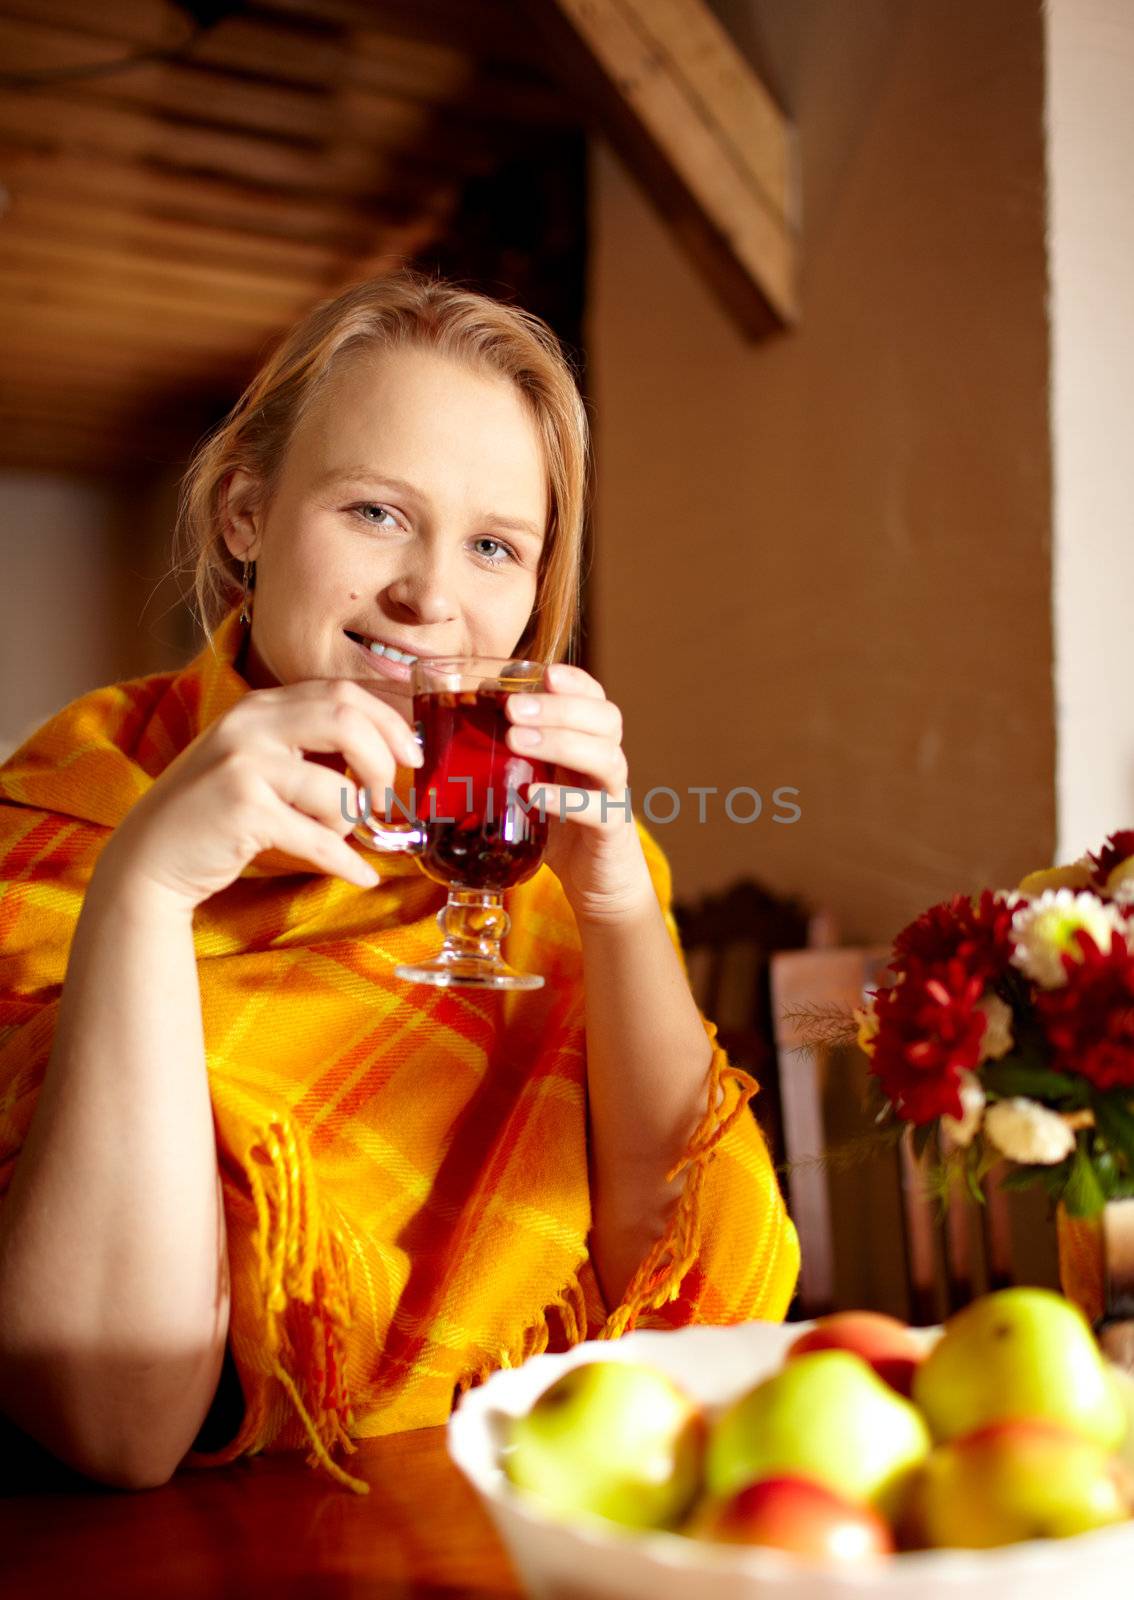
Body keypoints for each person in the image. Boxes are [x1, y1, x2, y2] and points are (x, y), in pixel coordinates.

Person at [0, 273, 799, 1495]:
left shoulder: (553, 859)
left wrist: (620, 904)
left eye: (494, 545)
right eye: (377, 512)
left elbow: (704, 1308)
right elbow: (117, 1421)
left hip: (518, 1524)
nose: (434, 596)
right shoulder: (59, 818)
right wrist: (144, 891)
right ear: (246, 515)